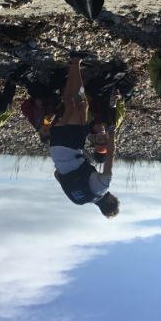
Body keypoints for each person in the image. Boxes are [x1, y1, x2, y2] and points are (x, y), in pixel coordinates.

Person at [49, 53, 119, 218]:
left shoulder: (103, 187)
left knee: (78, 103)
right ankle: (73, 65)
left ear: (111, 200)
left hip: (71, 146)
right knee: (77, 107)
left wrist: (111, 133)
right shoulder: (78, 200)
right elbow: (57, 175)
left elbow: (110, 155)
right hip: (56, 150)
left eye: (115, 198)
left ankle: (75, 61)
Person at [84, 60, 134, 163]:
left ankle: (118, 72)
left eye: (99, 140)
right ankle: (116, 75)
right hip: (110, 98)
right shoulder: (114, 125)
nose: (102, 137)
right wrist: (119, 98)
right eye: (105, 139)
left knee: (98, 89)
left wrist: (94, 123)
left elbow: (85, 105)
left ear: (95, 139)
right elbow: (121, 110)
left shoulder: (88, 126)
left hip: (94, 96)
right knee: (128, 89)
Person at [18, 65, 67, 144]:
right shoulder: (55, 123)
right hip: (53, 97)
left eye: (44, 130)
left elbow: (25, 108)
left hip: (40, 96)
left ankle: (27, 74)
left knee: (34, 89)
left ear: (39, 132)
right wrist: (56, 111)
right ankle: (59, 71)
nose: (46, 128)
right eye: (48, 130)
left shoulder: (35, 122)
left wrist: (34, 101)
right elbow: (63, 108)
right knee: (57, 86)